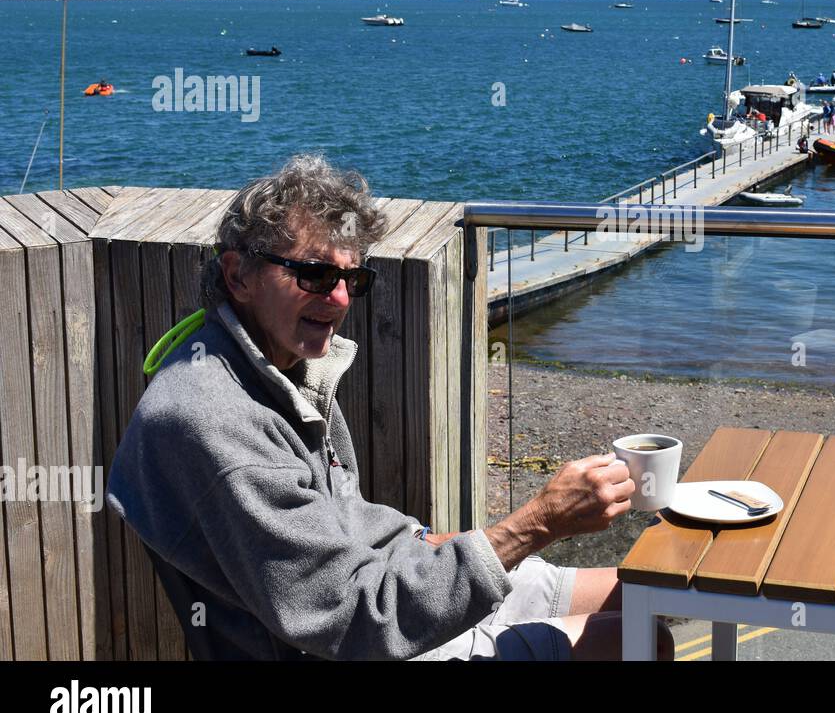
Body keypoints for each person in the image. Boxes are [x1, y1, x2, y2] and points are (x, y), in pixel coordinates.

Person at [107, 154, 673, 662]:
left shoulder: (267, 364)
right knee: (640, 642)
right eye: (315, 273)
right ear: (238, 275)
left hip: (390, 595)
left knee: (650, 594)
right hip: (363, 638)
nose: (339, 298)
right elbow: (355, 621)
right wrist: (536, 524)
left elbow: (342, 526)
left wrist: (439, 543)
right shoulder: (214, 421)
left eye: (352, 278)